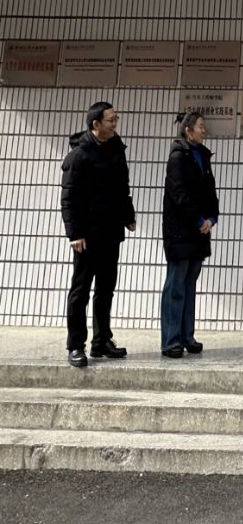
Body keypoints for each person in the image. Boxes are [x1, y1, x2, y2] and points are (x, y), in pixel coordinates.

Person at [60, 101, 136, 368]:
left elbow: (123, 187)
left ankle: (101, 341)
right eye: (110, 120)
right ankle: (75, 345)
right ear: (96, 124)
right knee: (80, 290)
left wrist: (128, 216)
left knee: (105, 290)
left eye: (116, 119)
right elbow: (69, 198)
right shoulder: (79, 155)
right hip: (87, 235)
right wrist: (74, 233)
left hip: (111, 231)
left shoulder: (116, 148)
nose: (115, 124)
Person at [160, 112, 219, 358]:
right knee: (176, 285)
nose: (204, 131)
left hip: (199, 230)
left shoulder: (202, 155)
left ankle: (187, 336)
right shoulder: (178, 157)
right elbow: (178, 194)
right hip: (181, 230)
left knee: (189, 284)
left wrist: (212, 218)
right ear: (188, 130)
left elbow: (210, 192)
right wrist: (198, 219)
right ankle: (171, 340)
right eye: (201, 126)